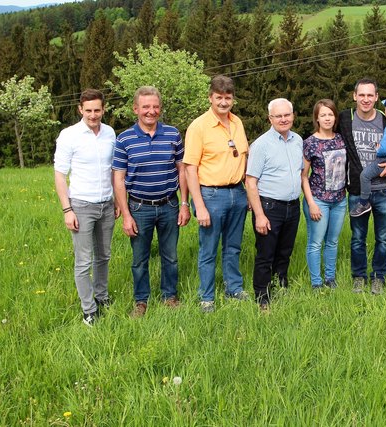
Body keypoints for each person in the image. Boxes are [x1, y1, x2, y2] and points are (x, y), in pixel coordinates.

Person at [112, 86, 191, 318]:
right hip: (138, 207)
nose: (151, 111)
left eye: (155, 106)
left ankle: (169, 296)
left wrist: (184, 204)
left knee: (171, 256)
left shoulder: (173, 134)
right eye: (146, 107)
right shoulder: (124, 139)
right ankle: (141, 301)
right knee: (139, 259)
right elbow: (118, 178)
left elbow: (182, 170)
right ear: (136, 109)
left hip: (169, 205)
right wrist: (126, 214)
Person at [337, 78, 386, 295]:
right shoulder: (345, 118)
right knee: (358, 237)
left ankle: (379, 277)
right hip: (359, 192)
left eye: (370, 95)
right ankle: (358, 276)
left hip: (385, 190)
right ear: (355, 96)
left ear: (377, 97)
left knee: (383, 237)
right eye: (362, 95)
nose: (366, 99)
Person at [184, 75, 249, 313]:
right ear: (210, 97)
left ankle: (234, 288)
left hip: (238, 193)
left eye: (228, 98)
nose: (223, 102)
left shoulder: (238, 123)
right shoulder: (198, 126)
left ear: (233, 99)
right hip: (211, 196)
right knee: (208, 249)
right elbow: (190, 168)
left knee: (233, 247)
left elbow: (243, 155)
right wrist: (198, 206)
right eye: (219, 97)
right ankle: (207, 297)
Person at [54, 89, 117, 326]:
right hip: (81, 205)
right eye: (88, 110)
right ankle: (88, 309)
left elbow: (114, 171)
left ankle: (101, 297)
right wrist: (67, 210)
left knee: (104, 256)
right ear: (80, 109)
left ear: (103, 109)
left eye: (97, 110)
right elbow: (60, 175)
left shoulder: (110, 133)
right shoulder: (69, 135)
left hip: (107, 205)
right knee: (83, 261)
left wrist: (118, 202)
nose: (93, 115)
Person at [246, 98, 303, 310]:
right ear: (270, 118)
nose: (283, 119)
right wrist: (259, 215)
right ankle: (262, 296)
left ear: (293, 115)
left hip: (292, 206)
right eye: (278, 116)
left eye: (287, 115)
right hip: (269, 207)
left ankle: (281, 286)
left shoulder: (298, 140)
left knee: (285, 251)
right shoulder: (261, 145)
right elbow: (251, 182)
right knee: (265, 254)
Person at [301, 99, 347, 290]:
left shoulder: (341, 138)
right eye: (323, 115)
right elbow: (303, 176)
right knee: (315, 242)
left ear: (335, 117)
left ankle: (330, 278)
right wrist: (311, 203)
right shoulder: (310, 143)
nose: (327, 118)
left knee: (333, 241)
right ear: (317, 118)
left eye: (330, 114)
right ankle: (316, 282)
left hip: (339, 200)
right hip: (318, 200)